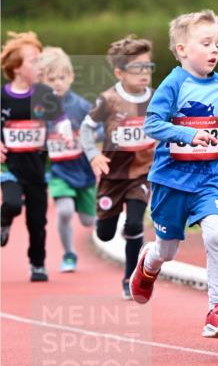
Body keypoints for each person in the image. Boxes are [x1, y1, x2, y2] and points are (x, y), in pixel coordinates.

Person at [128, 9, 218, 339]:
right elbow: (152, 124)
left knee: (216, 234)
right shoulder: (174, 83)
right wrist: (188, 135)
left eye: (217, 44)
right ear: (181, 50)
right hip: (170, 180)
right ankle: (147, 265)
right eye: (205, 43)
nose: (214, 51)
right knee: (168, 250)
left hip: (206, 178)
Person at [79, 35, 155, 298]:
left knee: (134, 225)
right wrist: (93, 155)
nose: (145, 73)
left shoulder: (157, 99)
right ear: (119, 72)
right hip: (113, 176)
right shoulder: (108, 99)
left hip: (142, 174)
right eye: (137, 68)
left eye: (148, 66)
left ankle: (130, 278)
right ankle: (106, 220)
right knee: (106, 234)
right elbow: (86, 129)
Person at [1, 31, 68, 280]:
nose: (40, 65)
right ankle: (4, 220)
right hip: (8, 168)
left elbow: (59, 119)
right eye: (33, 60)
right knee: (12, 204)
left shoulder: (44, 94)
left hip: (37, 169)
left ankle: (37, 263)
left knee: (37, 221)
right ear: (17, 68)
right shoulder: (2, 96)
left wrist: (63, 131)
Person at [38, 47, 96, 272]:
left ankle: (92, 212)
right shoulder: (41, 107)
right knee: (63, 211)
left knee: (87, 221)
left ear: (71, 77)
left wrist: (86, 134)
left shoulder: (81, 105)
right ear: (42, 81)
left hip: (84, 171)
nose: (57, 83)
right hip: (59, 172)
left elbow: (98, 128)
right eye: (51, 79)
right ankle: (69, 253)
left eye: (62, 78)